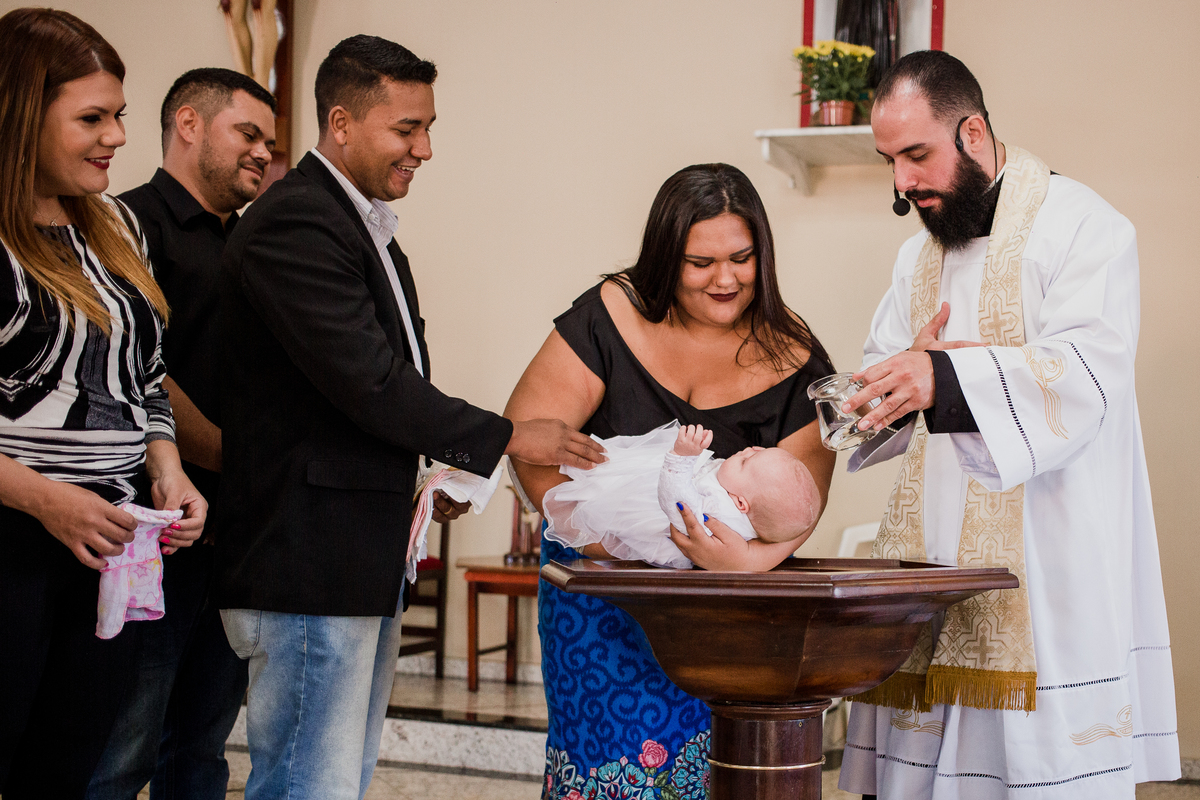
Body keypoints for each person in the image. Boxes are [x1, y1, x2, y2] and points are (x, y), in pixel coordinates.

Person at [213, 35, 605, 800]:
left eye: (428, 127)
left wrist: (429, 474)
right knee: (306, 786)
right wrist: (505, 435)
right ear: (341, 122)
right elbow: (368, 381)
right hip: (305, 561)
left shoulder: (364, 228)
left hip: (355, 556)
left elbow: (358, 396)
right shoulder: (297, 222)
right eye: (407, 128)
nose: (424, 148)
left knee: (339, 781)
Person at [834, 50, 1179, 799]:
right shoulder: (915, 259)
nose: (902, 183)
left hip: (1049, 554)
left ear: (973, 132)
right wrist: (889, 386)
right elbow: (880, 383)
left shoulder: (1085, 228)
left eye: (916, 155)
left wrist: (947, 379)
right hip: (932, 560)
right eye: (890, 162)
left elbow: (1087, 375)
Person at [505, 162, 836, 799]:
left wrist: (743, 563)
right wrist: (605, 546)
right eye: (700, 263)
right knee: (604, 770)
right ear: (665, 257)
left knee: (708, 771)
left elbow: (801, 503)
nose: (726, 279)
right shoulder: (610, 316)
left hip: (717, 614)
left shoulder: (794, 357)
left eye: (742, 259)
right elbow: (530, 444)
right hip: (597, 601)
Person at [0, 8, 207, 798]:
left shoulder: (116, 224)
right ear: (22, 115)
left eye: (118, 114)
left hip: (108, 537)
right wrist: (48, 501)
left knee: (69, 765)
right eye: (92, 118)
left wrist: (168, 470)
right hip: (16, 536)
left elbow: (141, 376)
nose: (117, 136)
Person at [86, 68, 277, 800]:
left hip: (233, 531)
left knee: (201, 745)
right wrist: (232, 458)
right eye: (248, 134)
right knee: (123, 747)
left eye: (269, 141)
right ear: (190, 124)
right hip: (151, 527)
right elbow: (141, 374)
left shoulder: (250, 243)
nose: (263, 152)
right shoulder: (125, 224)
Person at [544, 422, 821, 568]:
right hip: (655, 486)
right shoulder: (740, 497)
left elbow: (679, 507)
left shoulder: (721, 513)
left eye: (747, 461)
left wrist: (681, 459)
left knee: (594, 484)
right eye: (758, 450)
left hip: (649, 509)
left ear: (740, 502)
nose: (748, 449)